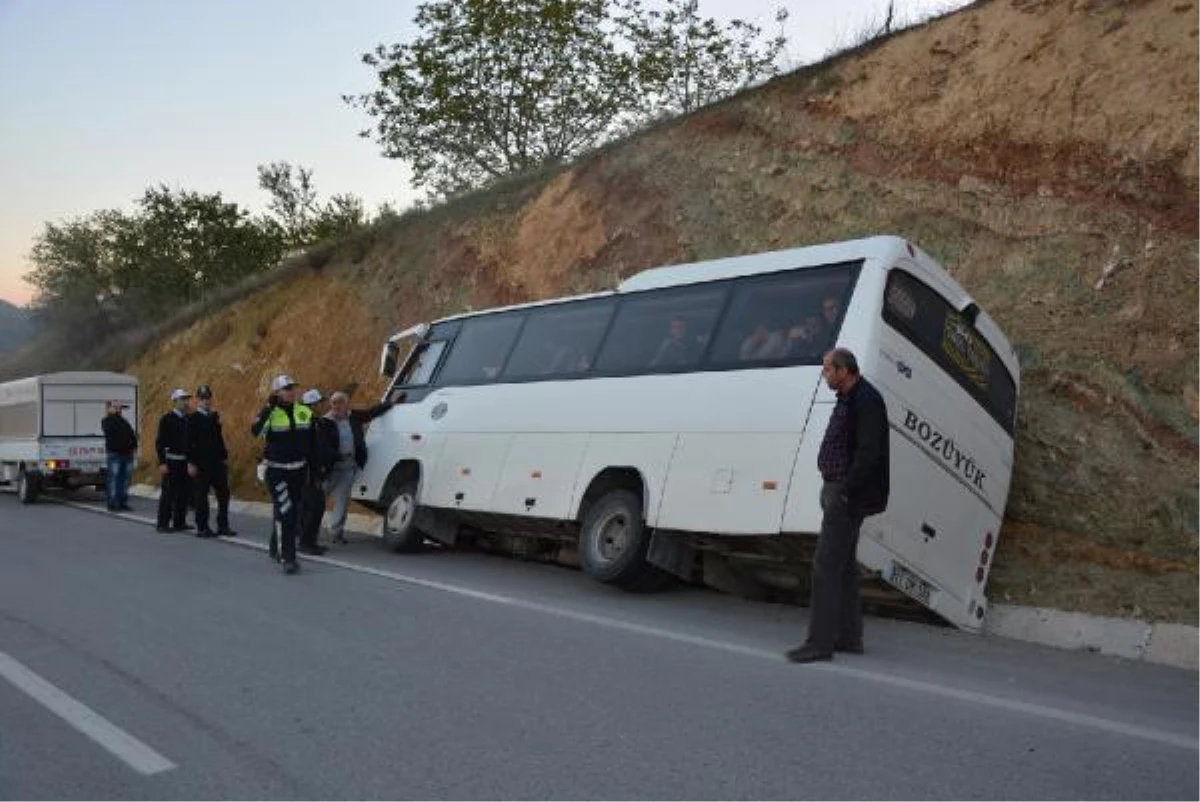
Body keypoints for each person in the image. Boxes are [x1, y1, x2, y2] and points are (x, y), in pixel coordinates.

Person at [786, 348, 890, 664]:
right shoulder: (849, 397)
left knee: (825, 566)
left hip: (848, 495)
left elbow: (869, 451)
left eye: (828, 369)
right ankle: (849, 637)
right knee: (843, 567)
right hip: (840, 490)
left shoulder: (866, 399)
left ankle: (819, 643)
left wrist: (846, 491)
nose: (824, 374)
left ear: (844, 370)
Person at [252, 374, 316, 574]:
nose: (291, 392)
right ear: (277, 392)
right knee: (286, 513)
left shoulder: (304, 411)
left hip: (299, 470)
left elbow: (313, 444)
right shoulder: (270, 412)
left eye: (292, 388)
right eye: (286, 389)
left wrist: (314, 471)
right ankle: (287, 557)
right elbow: (257, 432)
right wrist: (269, 410)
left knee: (291, 512)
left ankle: (274, 546)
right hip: (277, 471)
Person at [322, 389, 400, 544]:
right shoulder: (325, 421)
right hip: (329, 468)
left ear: (347, 404)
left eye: (340, 402)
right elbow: (321, 446)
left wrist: (390, 402)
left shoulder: (354, 416)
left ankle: (336, 533)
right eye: (333, 403)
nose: (336, 406)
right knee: (316, 500)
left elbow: (372, 412)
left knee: (342, 502)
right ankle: (303, 529)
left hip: (348, 467)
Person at [187, 384, 236, 538]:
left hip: (216, 463)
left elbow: (218, 440)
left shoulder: (214, 417)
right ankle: (202, 527)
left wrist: (224, 457)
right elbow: (188, 442)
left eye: (208, 398)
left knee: (224, 494)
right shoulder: (193, 419)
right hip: (200, 464)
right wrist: (191, 462)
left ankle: (223, 525)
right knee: (201, 496)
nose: (206, 401)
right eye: (202, 398)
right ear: (197, 400)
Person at [298, 388, 336, 556]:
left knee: (316, 507)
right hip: (308, 473)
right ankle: (305, 542)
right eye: (320, 402)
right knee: (312, 508)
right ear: (313, 405)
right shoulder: (306, 423)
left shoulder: (317, 422)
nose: (323, 405)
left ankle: (310, 541)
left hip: (316, 472)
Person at [155, 388, 192, 533]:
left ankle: (179, 521)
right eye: (182, 399)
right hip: (171, 461)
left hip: (185, 462)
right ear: (175, 401)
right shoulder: (167, 419)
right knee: (168, 494)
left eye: (186, 399)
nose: (185, 402)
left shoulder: (188, 419)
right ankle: (162, 523)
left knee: (184, 493)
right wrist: (162, 462)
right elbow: (160, 443)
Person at [101, 400, 137, 512]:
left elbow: (131, 434)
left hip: (127, 454)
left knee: (125, 480)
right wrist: (113, 414)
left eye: (119, 408)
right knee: (114, 479)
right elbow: (110, 431)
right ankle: (112, 503)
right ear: (109, 409)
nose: (118, 409)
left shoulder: (124, 421)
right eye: (115, 407)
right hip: (115, 454)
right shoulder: (107, 421)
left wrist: (134, 446)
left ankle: (122, 502)